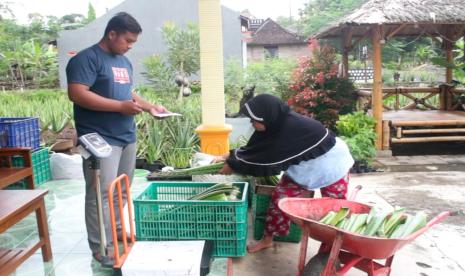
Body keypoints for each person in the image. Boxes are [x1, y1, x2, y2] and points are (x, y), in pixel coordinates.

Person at [66, 12, 167, 263]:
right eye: (127, 40)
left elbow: (127, 94)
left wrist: (149, 106)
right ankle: (101, 246)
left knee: (121, 189)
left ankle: (117, 231)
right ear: (112, 34)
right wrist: (119, 107)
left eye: (133, 42)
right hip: (100, 138)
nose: (130, 46)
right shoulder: (86, 59)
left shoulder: (123, 61)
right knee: (100, 193)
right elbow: (77, 94)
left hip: (125, 136)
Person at [218, 94, 354, 253]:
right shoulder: (276, 124)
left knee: (335, 208)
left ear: (265, 116)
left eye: (254, 120)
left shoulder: (291, 129)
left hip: (332, 164)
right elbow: (256, 149)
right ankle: (267, 239)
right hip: (305, 166)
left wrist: (233, 165)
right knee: (279, 198)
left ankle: (331, 247)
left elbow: (267, 158)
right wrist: (230, 156)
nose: (251, 123)